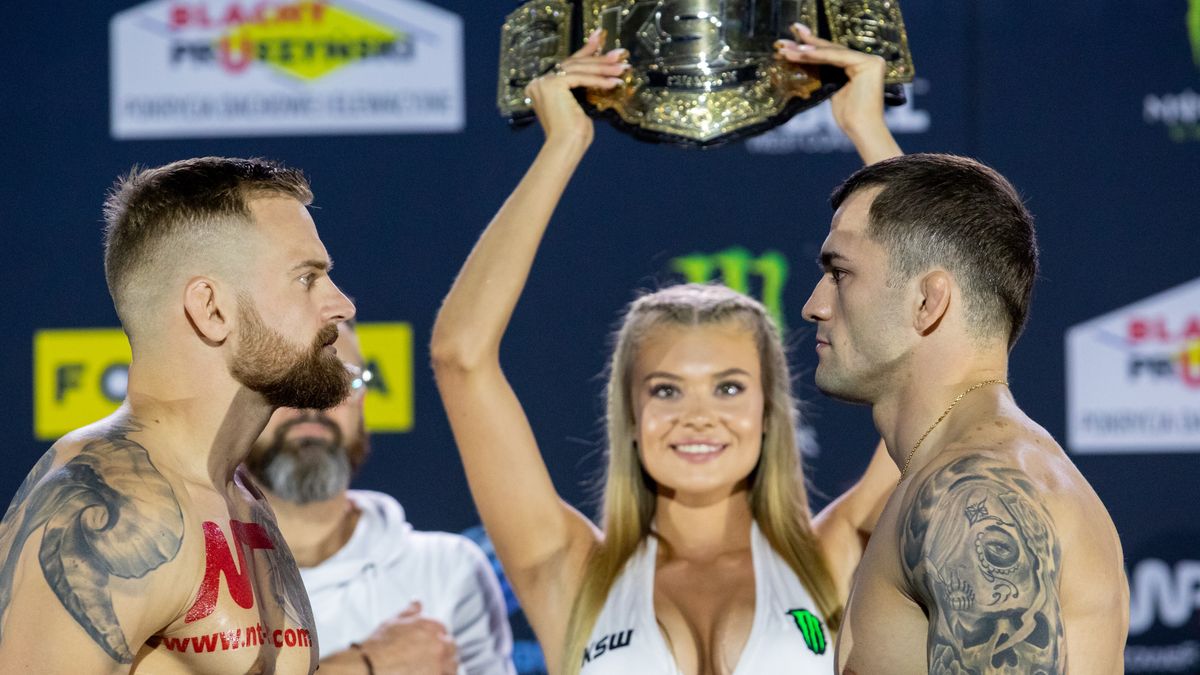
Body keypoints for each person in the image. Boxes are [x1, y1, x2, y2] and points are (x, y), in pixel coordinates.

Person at [431, 25, 903, 675]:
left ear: (770, 413)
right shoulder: (567, 569)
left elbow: (944, 351)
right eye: (666, 389)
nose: (698, 415)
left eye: (730, 386)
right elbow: (461, 356)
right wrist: (562, 146)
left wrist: (867, 131)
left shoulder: (840, 558)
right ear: (630, 413)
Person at [0, 157, 356, 673]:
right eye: (306, 279)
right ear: (211, 309)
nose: (342, 305)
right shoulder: (108, 504)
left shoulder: (239, 495)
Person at [803, 155, 1129, 673]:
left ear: (928, 302)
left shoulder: (971, 492)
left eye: (839, 273)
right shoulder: (972, 466)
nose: (814, 305)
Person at [245, 321, 516, 675]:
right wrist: (365, 666)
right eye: (287, 382)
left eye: (338, 381)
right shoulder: (194, 572)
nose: (312, 403)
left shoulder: (448, 569)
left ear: (363, 405)